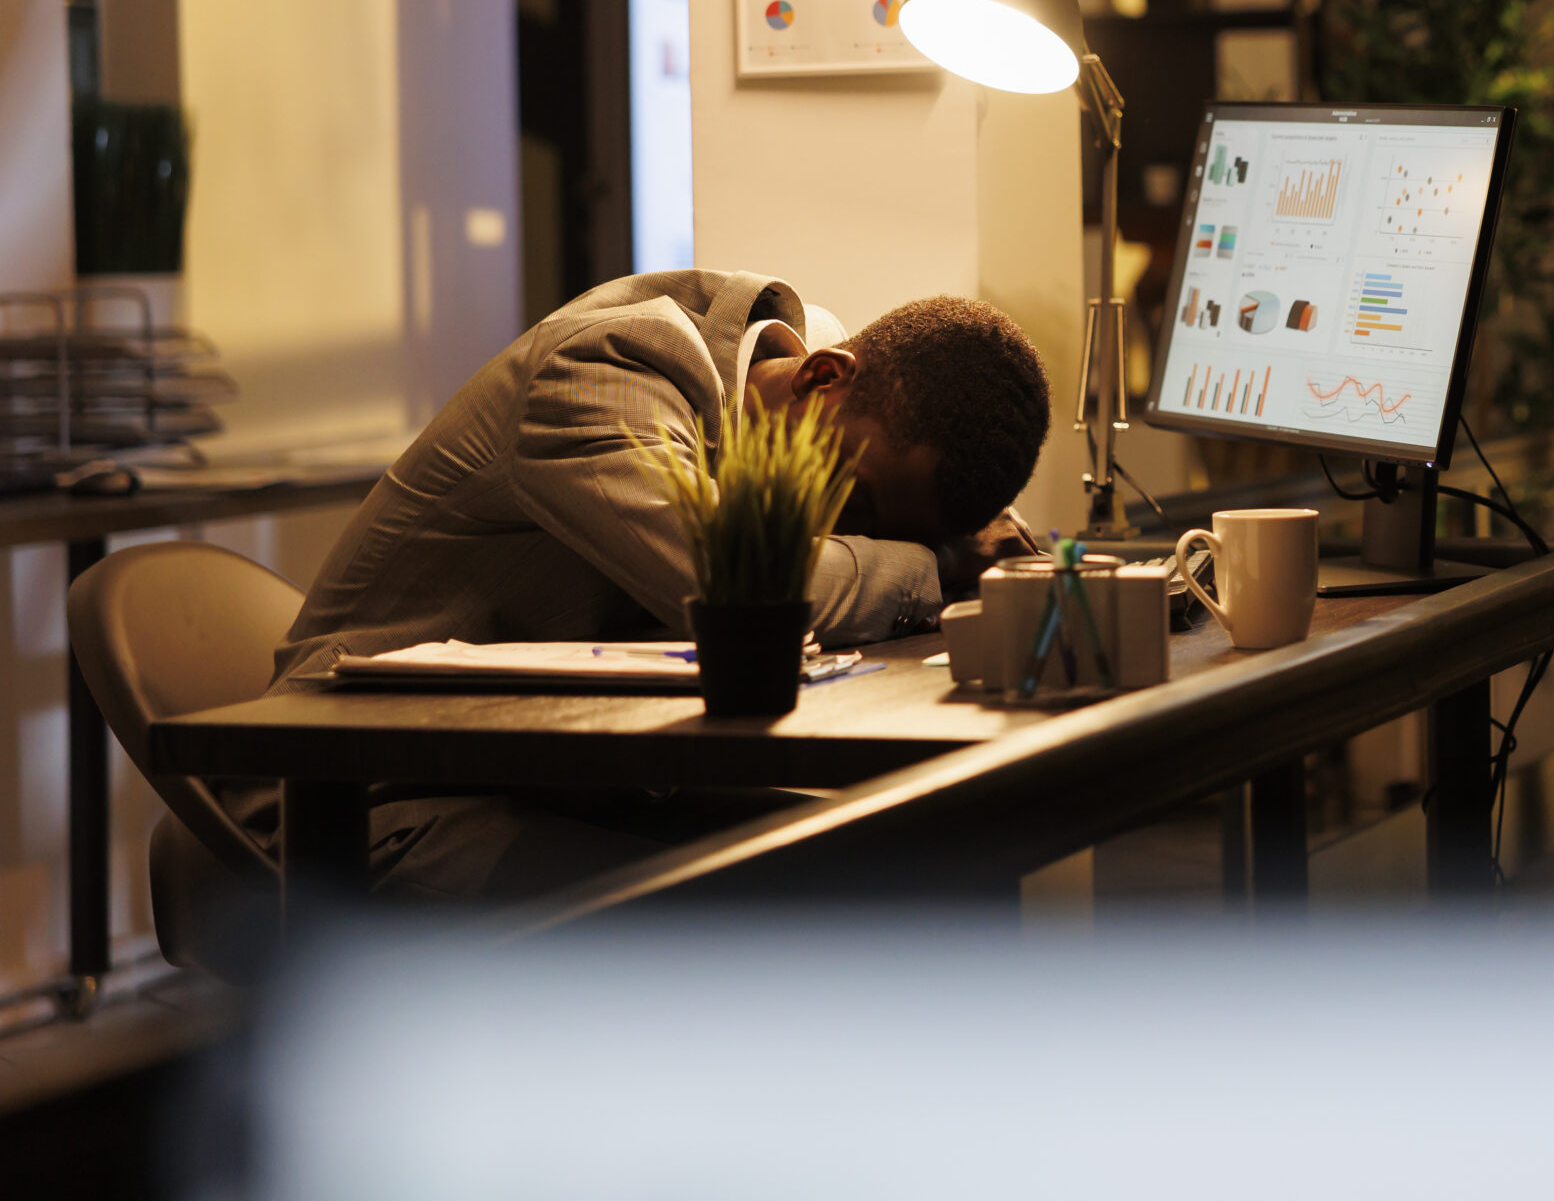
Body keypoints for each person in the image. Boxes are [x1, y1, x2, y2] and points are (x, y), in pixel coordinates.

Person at [234, 269, 1051, 902]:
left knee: (901, 861)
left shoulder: (827, 386)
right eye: (857, 500)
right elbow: (747, 588)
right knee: (770, 919)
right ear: (821, 378)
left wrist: (957, 536)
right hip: (360, 806)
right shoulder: (601, 374)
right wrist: (936, 564)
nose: (846, 526)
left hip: (555, 781)